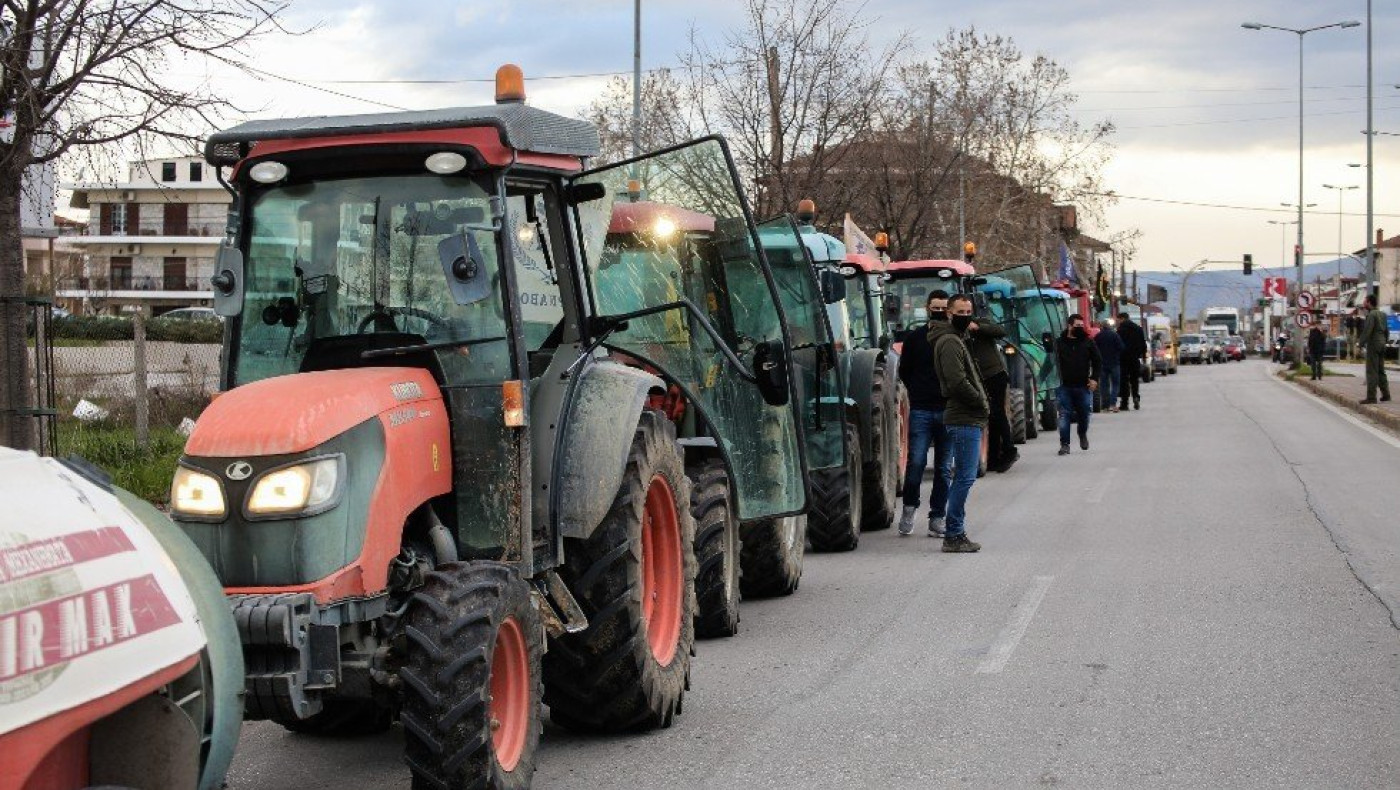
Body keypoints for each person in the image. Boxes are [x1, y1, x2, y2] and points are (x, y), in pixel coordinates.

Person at [930, 293, 988, 553]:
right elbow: (956, 381)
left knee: (964, 477)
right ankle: (953, 534)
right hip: (963, 415)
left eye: (969, 312)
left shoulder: (957, 338)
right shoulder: (950, 341)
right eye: (960, 312)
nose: (966, 316)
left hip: (967, 415)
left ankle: (955, 532)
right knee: (964, 478)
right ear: (949, 314)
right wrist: (979, 401)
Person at [897, 291, 953, 537]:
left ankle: (937, 517)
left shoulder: (954, 338)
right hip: (921, 409)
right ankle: (909, 508)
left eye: (943, 308)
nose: (939, 311)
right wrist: (918, 392)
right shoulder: (915, 338)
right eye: (935, 307)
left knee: (943, 468)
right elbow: (905, 371)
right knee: (917, 462)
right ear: (928, 308)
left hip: (948, 411)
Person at [966, 315, 1017, 473]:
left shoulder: (980, 322)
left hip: (993, 375)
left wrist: (977, 327)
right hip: (975, 378)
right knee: (988, 416)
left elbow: (1000, 331)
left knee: (996, 413)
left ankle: (1009, 450)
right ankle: (993, 457)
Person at [1054, 313, 1102, 455]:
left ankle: (1082, 434)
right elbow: (1050, 363)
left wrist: (1094, 378)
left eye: (1082, 326)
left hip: (1083, 386)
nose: (1080, 328)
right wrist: (1044, 379)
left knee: (1084, 413)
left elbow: (1097, 361)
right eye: (1077, 326)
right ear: (1069, 326)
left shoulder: (1088, 342)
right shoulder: (1059, 343)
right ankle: (1065, 444)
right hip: (1064, 386)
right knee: (1064, 415)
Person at [1357, 295, 1392, 404]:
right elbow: (1387, 331)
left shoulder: (1371, 315)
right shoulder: (1383, 314)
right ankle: (1386, 394)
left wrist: (1359, 345)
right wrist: (1384, 342)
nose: (1363, 303)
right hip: (1382, 344)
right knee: (1381, 370)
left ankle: (1371, 397)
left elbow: (1367, 331)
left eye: (1364, 301)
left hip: (1374, 344)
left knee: (1372, 371)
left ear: (1368, 302)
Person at [1116, 311, 1147, 411]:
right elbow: (1143, 344)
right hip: (1134, 358)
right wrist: (1143, 357)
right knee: (1134, 380)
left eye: (1118, 320)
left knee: (1124, 381)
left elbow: (1118, 344)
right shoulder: (1138, 329)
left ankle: (1124, 403)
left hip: (1123, 359)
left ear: (1122, 319)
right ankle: (1136, 397)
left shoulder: (1120, 330)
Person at [1093, 319, 1124, 412]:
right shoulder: (1115, 335)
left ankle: (1105, 406)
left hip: (1102, 364)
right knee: (1115, 384)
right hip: (1114, 363)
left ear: (1101, 326)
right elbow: (1122, 347)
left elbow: (1094, 349)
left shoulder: (1098, 336)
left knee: (1104, 385)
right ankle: (1112, 404)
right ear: (1110, 326)